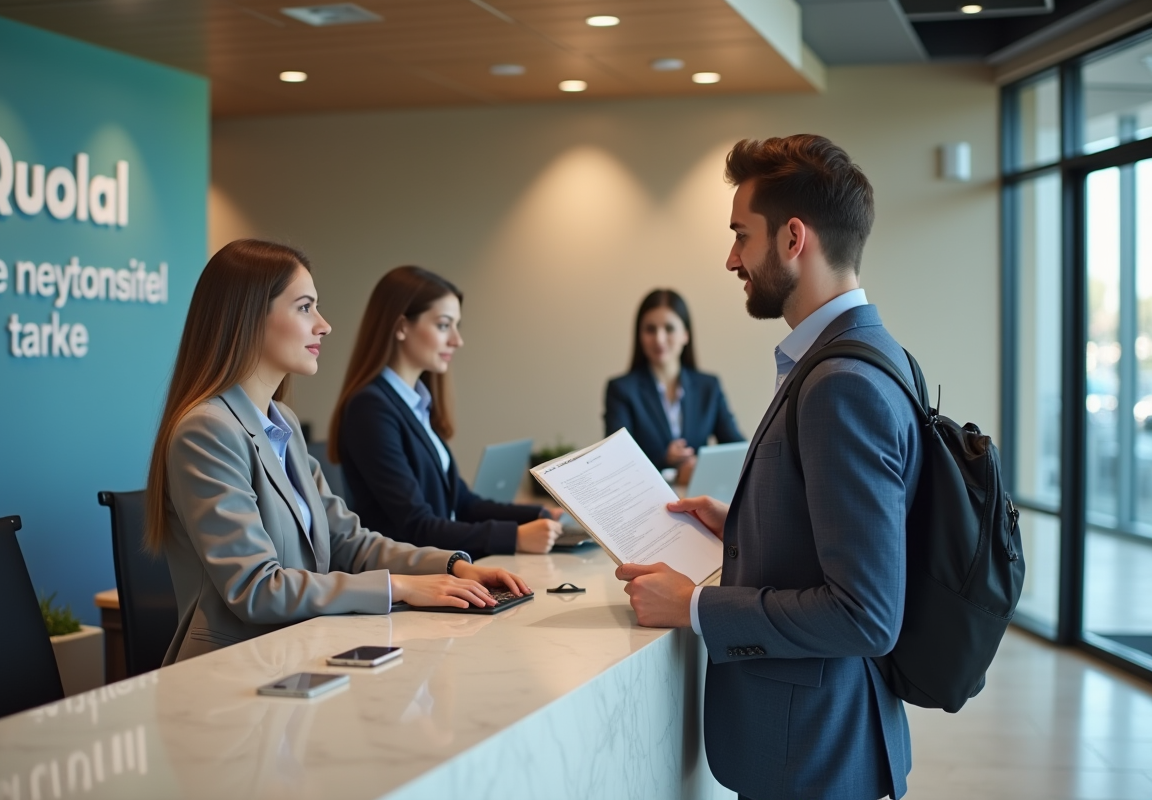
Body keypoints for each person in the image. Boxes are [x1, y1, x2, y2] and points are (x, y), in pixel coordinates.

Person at [616, 135, 922, 800]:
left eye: (739, 236)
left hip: (815, 749)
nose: (731, 259)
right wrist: (744, 523)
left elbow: (865, 614)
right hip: (824, 738)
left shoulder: (842, 381)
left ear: (792, 238)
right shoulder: (871, 352)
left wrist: (694, 606)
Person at [145, 240, 529, 665]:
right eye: (305, 307)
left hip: (301, 653)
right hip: (230, 672)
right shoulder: (207, 430)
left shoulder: (283, 422)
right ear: (250, 316)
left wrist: (455, 565)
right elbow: (256, 588)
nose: (324, 325)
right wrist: (398, 587)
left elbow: (350, 542)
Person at [328, 266, 561, 560]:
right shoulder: (370, 408)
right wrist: (514, 536)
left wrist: (538, 514)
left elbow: (462, 502)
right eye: (443, 325)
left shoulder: (416, 404)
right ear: (401, 326)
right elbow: (416, 525)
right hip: (410, 580)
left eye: (456, 326)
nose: (456, 340)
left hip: (444, 568)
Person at [603, 289, 743, 484]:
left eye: (669, 328)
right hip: (644, 501)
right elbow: (617, 462)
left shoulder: (708, 387)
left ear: (685, 335)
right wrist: (664, 460)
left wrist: (700, 466)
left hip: (699, 498)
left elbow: (737, 449)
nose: (659, 339)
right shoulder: (621, 390)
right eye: (650, 329)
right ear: (639, 335)